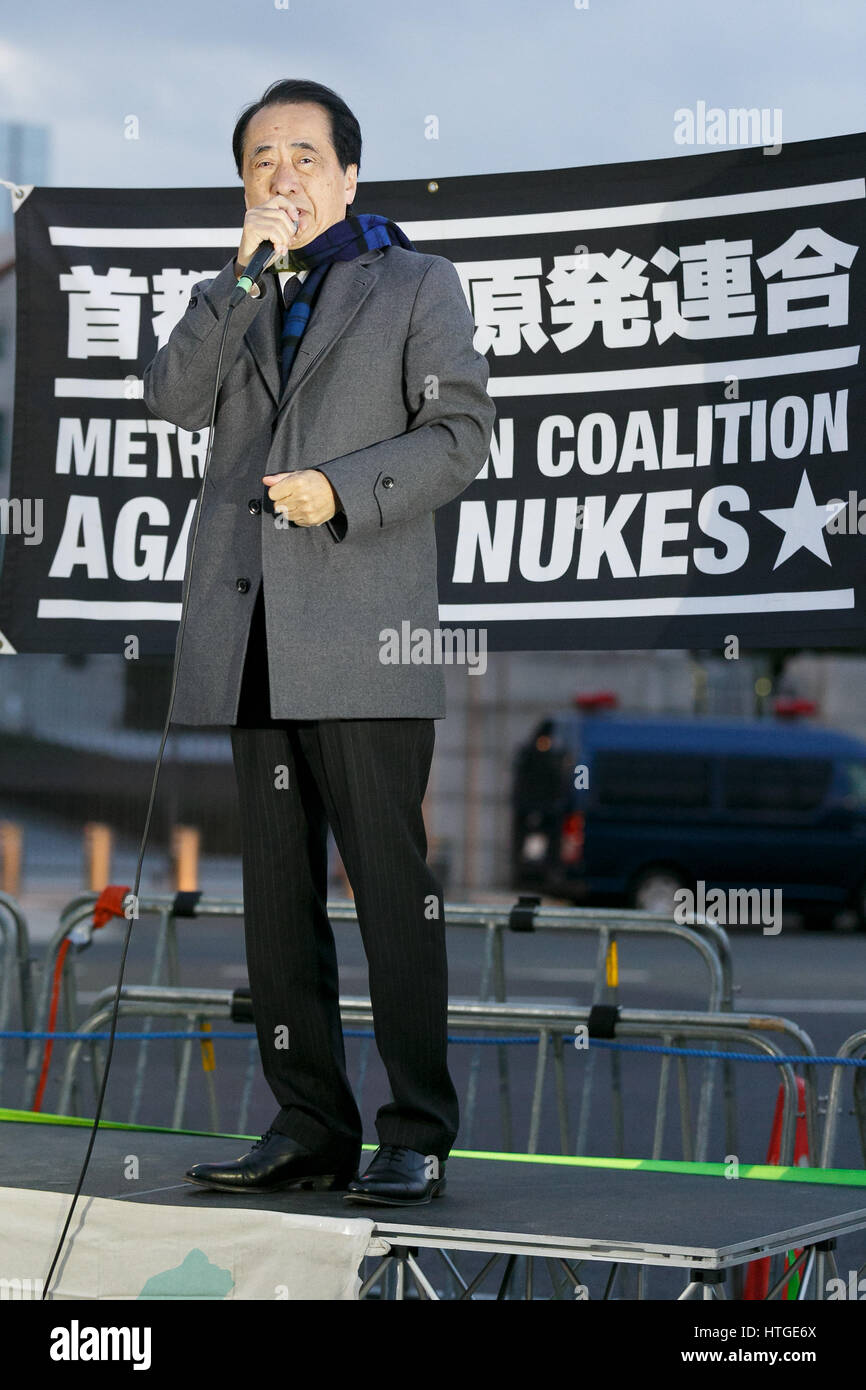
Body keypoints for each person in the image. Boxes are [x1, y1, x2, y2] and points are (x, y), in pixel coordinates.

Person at [142, 79, 496, 1206]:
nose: (281, 175)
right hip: (247, 631)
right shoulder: (235, 287)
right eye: (259, 159)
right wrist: (241, 275)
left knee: (391, 887)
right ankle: (306, 1124)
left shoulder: (415, 282)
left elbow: (459, 435)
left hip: (365, 632)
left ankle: (416, 1127)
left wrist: (338, 491)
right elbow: (169, 399)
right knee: (275, 901)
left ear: (349, 172)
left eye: (303, 155)